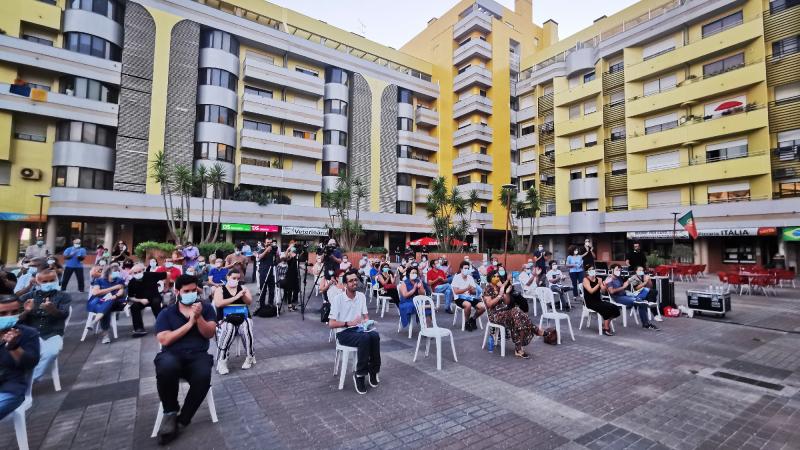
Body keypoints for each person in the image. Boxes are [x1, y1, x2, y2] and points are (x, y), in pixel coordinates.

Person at [153, 274, 217, 444]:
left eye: (193, 291)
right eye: (186, 291)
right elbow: (164, 339)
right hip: (172, 354)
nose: (191, 294)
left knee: (203, 376)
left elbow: (209, 333)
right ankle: (170, 411)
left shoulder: (206, 308)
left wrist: (199, 318)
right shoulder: (167, 313)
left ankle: (182, 421)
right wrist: (189, 323)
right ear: (177, 291)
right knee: (166, 366)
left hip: (197, 355)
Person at [328, 269, 380, 395]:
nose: (354, 282)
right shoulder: (338, 299)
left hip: (359, 329)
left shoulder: (361, 296)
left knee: (374, 335)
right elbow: (331, 323)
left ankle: (373, 371)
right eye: (351, 281)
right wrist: (348, 323)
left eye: (355, 279)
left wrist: (367, 322)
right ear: (345, 284)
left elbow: (365, 316)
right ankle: (360, 374)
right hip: (344, 332)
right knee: (365, 339)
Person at [19, 269, 70, 384]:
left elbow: (63, 314)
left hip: (53, 332)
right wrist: (26, 311)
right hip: (30, 334)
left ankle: (30, 380)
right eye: (45, 281)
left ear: (57, 280)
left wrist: (52, 310)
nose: (49, 283)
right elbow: (16, 320)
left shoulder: (64, 296)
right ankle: (18, 379)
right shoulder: (27, 297)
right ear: (37, 282)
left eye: (52, 280)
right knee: (15, 352)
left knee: (52, 352)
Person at [483, 269, 542, 359]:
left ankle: (519, 349)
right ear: (490, 278)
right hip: (495, 315)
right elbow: (489, 304)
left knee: (517, 316)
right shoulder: (488, 288)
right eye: (494, 276)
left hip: (506, 313)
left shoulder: (500, 287)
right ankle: (535, 330)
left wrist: (505, 292)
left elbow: (507, 302)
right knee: (517, 313)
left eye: (498, 276)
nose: (497, 278)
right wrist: (500, 295)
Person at [0, 295, 40, 420]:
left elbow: (30, 364)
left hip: (10, 388)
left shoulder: (28, 334)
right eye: (3, 313)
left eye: (14, 312)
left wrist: (14, 347)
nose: (9, 316)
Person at [212, 269, 255, 374]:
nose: (235, 280)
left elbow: (249, 302)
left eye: (238, 279)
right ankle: (222, 360)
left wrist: (243, 295)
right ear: (228, 277)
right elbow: (218, 304)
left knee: (246, 328)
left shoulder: (243, 288)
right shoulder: (220, 289)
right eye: (233, 278)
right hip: (225, 318)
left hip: (243, 317)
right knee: (229, 329)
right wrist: (236, 297)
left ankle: (250, 357)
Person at [605, 264, 658, 331]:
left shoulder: (618, 278)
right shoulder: (609, 279)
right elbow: (611, 291)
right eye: (617, 270)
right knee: (640, 302)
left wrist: (628, 281)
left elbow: (625, 284)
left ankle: (646, 324)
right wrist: (623, 287)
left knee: (642, 300)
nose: (619, 271)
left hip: (625, 295)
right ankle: (646, 324)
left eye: (619, 270)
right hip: (617, 297)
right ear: (611, 270)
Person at [87, 263, 127, 344]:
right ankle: (104, 333)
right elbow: (95, 293)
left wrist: (115, 296)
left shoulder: (119, 281)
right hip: (98, 303)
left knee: (109, 301)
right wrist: (113, 288)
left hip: (116, 302)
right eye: (115, 271)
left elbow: (121, 291)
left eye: (118, 271)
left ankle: (96, 324)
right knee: (107, 306)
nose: (117, 273)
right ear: (108, 273)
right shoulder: (99, 281)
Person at [127, 263, 168, 337]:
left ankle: (162, 326)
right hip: (141, 300)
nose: (137, 274)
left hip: (154, 297)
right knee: (134, 307)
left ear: (143, 270)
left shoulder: (150, 275)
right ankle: (139, 329)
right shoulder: (132, 282)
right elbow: (130, 297)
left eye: (139, 272)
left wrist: (166, 287)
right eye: (135, 273)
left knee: (156, 303)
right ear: (132, 274)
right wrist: (140, 300)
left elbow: (168, 274)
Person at [582, 268, 620, 336]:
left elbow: (603, 291)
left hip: (598, 300)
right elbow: (591, 291)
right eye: (590, 270)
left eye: (593, 269)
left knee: (615, 308)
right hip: (590, 302)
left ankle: (605, 323)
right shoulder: (585, 279)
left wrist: (604, 283)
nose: (592, 271)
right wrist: (599, 284)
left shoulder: (598, 279)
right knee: (605, 309)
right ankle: (606, 328)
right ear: (587, 271)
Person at [450, 261, 486, 331]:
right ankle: (467, 322)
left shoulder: (470, 277)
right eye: (465, 268)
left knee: (483, 307)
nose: (467, 270)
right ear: (461, 269)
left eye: (468, 268)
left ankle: (472, 319)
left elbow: (472, 291)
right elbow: (456, 292)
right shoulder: (456, 277)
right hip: (459, 298)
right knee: (468, 305)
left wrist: (474, 291)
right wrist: (467, 288)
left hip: (469, 297)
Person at [256, 238, 279, 307]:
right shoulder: (261, 250)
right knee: (263, 290)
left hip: (272, 272)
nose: (269, 243)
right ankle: (262, 305)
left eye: (270, 242)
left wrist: (277, 255)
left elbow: (277, 261)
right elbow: (259, 257)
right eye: (267, 242)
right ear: (265, 243)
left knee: (272, 290)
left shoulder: (273, 251)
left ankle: (270, 304)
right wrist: (266, 250)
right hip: (263, 272)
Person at [281, 244, 300, 311]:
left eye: (294, 252)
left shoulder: (296, 257)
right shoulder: (289, 258)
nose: (293, 253)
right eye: (292, 252)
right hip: (290, 275)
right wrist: (288, 249)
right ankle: (289, 306)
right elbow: (285, 258)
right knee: (289, 290)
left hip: (296, 275)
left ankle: (293, 304)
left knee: (296, 289)